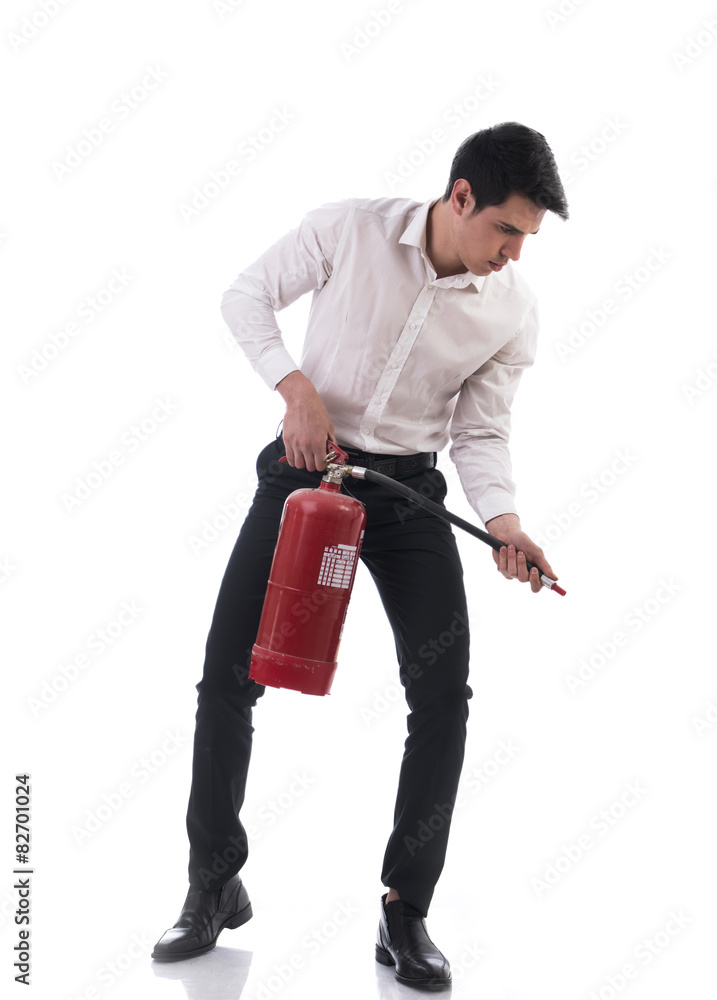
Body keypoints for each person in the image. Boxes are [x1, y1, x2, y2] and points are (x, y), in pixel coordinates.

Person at [152, 121, 569, 990]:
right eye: (505, 231)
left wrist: (503, 518)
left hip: (409, 496)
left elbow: (480, 430)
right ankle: (212, 881)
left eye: (527, 239)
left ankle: (403, 909)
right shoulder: (347, 229)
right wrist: (295, 389)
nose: (513, 256)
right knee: (228, 673)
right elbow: (245, 296)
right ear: (461, 198)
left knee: (442, 698)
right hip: (307, 475)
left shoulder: (511, 309)